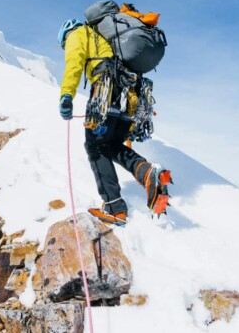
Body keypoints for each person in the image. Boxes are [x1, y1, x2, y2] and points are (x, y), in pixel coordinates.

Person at [58, 18, 171, 226]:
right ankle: (147, 172)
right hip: (130, 94)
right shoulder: (105, 37)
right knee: (111, 144)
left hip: (106, 88)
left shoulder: (78, 34)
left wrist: (66, 95)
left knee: (96, 147)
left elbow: (74, 62)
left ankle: (115, 208)